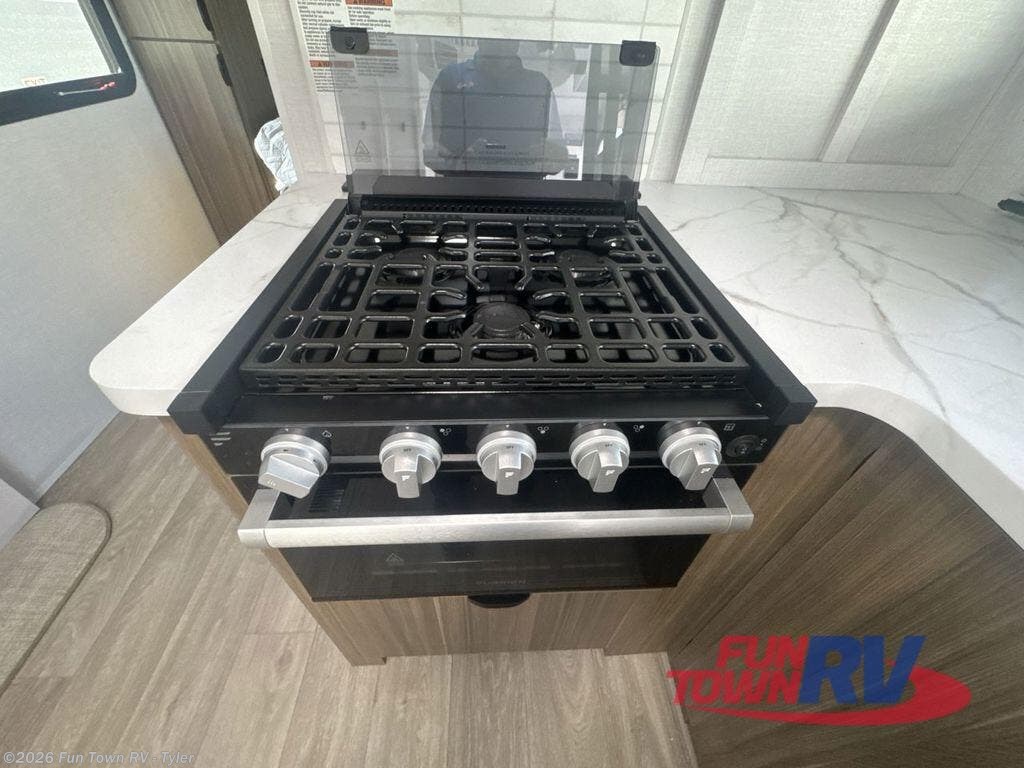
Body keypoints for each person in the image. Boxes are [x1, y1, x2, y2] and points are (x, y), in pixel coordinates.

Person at [422, 39, 569, 177]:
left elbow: (557, 158)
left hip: (524, 189)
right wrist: (465, 160)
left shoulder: (538, 84)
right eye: (494, 38)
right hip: (464, 188)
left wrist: (536, 155)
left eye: (507, 39)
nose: (500, 44)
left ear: (516, 43)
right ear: (480, 39)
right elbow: (431, 152)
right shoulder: (450, 78)